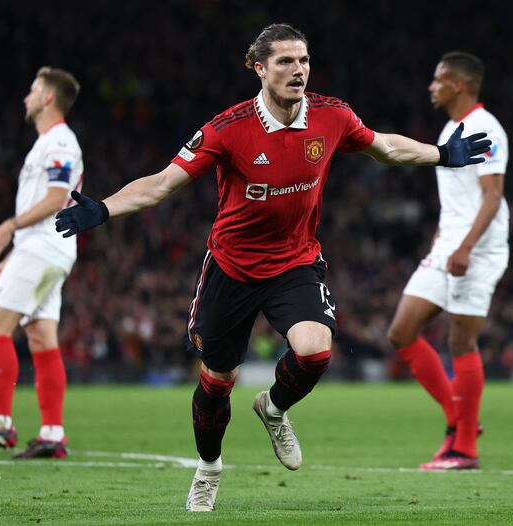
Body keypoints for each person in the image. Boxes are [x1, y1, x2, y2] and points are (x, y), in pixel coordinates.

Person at [56, 24, 490, 510]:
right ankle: (209, 468)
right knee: (217, 382)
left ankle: (274, 407)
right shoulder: (227, 128)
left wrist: (442, 155)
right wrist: (105, 208)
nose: (297, 70)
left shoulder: (332, 115)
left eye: (303, 60)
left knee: (315, 350)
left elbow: (385, 147)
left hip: (294, 262)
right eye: (285, 62)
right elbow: (161, 184)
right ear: (260, 68)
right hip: (232, 269)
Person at [387, 52, 508, 471]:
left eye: (438, 80)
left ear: (458, 84)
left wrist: (466, 247)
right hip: (450, 243)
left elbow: (492, 196)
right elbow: (458, 197)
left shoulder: (485, 128)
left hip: (478, 246)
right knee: (401, 332)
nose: (431, 86)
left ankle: (463, 450)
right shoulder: (451, 128)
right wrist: (444, 239)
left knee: (460, 340)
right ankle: (460, 420)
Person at [0, 67, 83, 460]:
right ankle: (52, 432)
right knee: (41, 338)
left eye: (32, 90)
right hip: (44, 250)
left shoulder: (60, 141)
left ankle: (0, 424)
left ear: (48, 97)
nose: (25, 97)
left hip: (44, 249)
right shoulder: (46, 143)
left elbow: (56, 197)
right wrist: (16, 252)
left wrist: (8, 229)